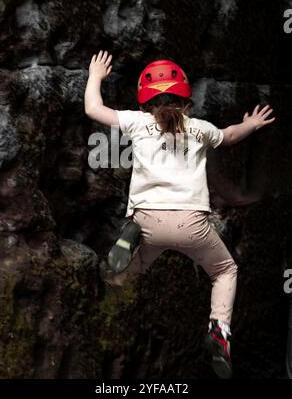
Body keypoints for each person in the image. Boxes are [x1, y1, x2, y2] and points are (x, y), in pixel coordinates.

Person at [84, 49, 276, 379]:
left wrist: (96, 76)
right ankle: (218, 331)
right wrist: (251, 124)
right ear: (187, 103)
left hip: (147, 222)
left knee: (120, 278)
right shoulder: (198, 128)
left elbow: (93, 109)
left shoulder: (138, 122)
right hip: (191, 224)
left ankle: (120, 250)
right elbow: (229, 136)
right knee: (225, 271)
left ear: (145, 103)